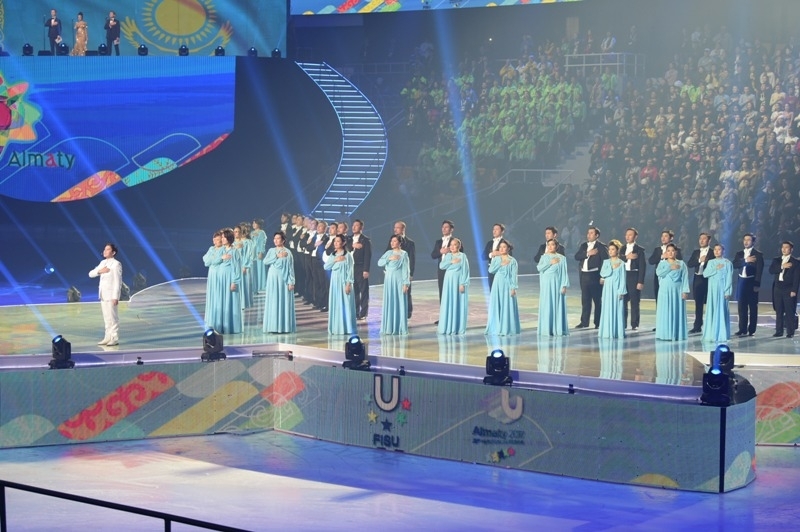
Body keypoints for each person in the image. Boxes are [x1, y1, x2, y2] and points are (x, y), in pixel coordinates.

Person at [88, 243, 122, 346]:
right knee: (107, 318)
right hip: (103, 294)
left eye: (107, 249)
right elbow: (90, 274)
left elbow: (118, 281)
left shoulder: (116, 264)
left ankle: (114, 338)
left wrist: (115, 297)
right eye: (104, 249)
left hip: (111, 295)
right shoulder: (102, 263)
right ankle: (107, 337)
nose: (105, 251)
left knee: (113, 318)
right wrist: (99, 271)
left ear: (113, 252)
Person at [574, 226, 607, 329]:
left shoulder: (601, 247)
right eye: (588, 233)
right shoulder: (584, 245)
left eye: (592, 233)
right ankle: (584, 322)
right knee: (585, 300)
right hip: (584, 275)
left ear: (597, 235)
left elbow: (605, 262)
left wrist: (603, 276)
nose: (589, 235)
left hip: (595, 275)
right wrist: (588, 253)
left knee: (597, 300)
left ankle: (598, 322)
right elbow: (576, 256)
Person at [262, 232, 296, 334]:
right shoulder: (271, 251)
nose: (276, 240)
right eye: (274, 238)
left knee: (283, 300)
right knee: (273, 300)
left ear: (283, 240)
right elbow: (265, 261)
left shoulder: (288, 252)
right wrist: (277, 256)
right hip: (272, 278)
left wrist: (291, 282)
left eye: (278, 238)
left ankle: (283, 326)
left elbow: (290, 268)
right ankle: (272, 326)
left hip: (283, 279)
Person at [655, 244, 690, 341]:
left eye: (672, 250)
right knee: (665, 311)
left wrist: (685, 291)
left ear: (676, 252)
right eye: (668, 251)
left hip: (677, 291)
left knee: (676, 311)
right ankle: (665, 334)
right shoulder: (662, 263)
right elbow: (659, 273)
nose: (670, 253)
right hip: (664, 291)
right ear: (666, 252)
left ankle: (677, 333)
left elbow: (685, 278)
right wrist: (670, 268)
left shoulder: (681, 264)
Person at [486, 240, 521, 336]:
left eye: (504, 247)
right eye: (500, 247)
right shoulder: (496, 259)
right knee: (497, 304)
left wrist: (513, 288)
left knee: (507, 304)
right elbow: (491, 270)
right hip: (497, 284)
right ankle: (496, 327)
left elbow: (514, 275)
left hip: (508, 285)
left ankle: (507, 327)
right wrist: (500, 264)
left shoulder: (512, 261)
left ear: (508, 248)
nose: (501, 249)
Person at [324, 234, 357, 335]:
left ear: (343, 243)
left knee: (346, 304)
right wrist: (335, 260)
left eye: (338, 241)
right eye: (335, 241)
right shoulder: (333, 255)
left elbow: (350, 270)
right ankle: (336, 328)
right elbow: (326, 267)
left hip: (344, 282)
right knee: (336, 304)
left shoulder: (348, 255)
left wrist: (348, 284)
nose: (336, 243)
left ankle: (347, 328)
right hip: (335, 282)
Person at [732, 233, 764, 337]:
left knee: (753, 307)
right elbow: (734, 264)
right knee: (741, 307)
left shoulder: (758, 254)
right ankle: (742, 329)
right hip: (741, 282)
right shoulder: (739, 254)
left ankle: (752, 330)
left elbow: (759, 270)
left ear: (753, 242)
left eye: (748, 240)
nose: (746, 242)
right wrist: (746, 260)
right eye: (744, 239)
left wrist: (757, 284)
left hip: (751, 282)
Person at [536, 239, 569, 336]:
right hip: (546, 284)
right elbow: (539, 268)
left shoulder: (562, 258)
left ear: (556, 246)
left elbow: (564, 272)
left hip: (557, 283)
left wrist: (564, 285)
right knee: (547, 304)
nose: (550, 246)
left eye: (552, 244)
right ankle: (546, 329)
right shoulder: (544, 257)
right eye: (548, 245)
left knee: (557, 304)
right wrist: (550, 262)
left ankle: (557, 329)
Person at [378, 235, 410, 334]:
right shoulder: (388, 253)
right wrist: (389, 259)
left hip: (398, 280)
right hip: (389, 280)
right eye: (391, 241)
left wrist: (405, 283)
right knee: (390, 300)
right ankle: (389, 327)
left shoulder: (404, 254)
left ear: (400, 243)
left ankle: (399, 327)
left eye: (395, 241)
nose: (392, 243)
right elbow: (379, 263)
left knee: (399, 301)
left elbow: (406, 269)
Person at [438, 238, 470, 335]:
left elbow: (465, 270)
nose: (452, 247)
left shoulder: (462, 256)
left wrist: (462, 283)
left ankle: (457, 327)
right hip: (448, 281)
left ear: (459, 246)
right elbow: (442, 266)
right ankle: (447, 326)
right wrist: (451, 262)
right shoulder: (448, 255)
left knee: (457, 301)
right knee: (449, 301)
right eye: (450, 245)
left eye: (454, 244)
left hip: (458, 280)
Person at [702, 244, 733, 344]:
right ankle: (711, 334)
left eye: (719, 249)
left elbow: (729, 278)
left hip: (722, 290)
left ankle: (721, 334)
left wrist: (727, 291)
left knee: (721, 310)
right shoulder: (711, 262)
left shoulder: (727, 263)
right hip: (712, 290)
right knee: (712, 309)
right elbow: (705, 274)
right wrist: (716, 268)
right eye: (715, 249)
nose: (716, 251)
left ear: (723, 251)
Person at [769, 241, 800, 338]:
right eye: (783, 247)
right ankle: (779, 331)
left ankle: (790, 332)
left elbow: (796, 278)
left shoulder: (795, 262)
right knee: (779, 310)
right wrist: (782, 266)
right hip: (777, 288)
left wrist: (794, 290)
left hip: (789, 289)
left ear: (791, 249)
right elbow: (771, 270)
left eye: (786, 247)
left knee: (789, 311)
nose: (784, 249)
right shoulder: (776, 260)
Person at [598, 240, 627, 339]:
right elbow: (603, 273)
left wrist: (621, 291)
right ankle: (606, 332)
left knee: (617, 309)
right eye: (609, 249)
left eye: (613, 249)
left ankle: (617, 332)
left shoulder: (622, 263)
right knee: (607, 308)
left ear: (617, 250)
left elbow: (623, 278)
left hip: (617, 288)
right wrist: (612, 267)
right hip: (607, 289)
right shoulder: (606, 262)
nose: (610, 251)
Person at [386, 221, 415, 318]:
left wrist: (410, 274)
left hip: (404, 271)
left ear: (403, 229)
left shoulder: (410, 243)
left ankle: (407, 312)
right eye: (394, 227)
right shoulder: (391, 241)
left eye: (397, 227)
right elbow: (386, 254)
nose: (395, 229)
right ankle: (396, 311)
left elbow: (412, 259)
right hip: (393, 272)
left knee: (406, 291)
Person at [216, 228, 242, 334]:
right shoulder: (221, 250)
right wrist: (221, 258)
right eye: (221, 237)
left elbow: (237, 267)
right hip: (221, 279)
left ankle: (231, 326)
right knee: (221, 301)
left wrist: (234, 281)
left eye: (224, 237)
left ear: (229, 238)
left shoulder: (234, 251)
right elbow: (214, 261)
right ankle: (221, 325)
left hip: (229, 278)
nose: (222, 239)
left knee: (230, 301)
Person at [687, 233, 713, 334]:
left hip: (708, 279)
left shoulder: (712, 252)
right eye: (700, 238)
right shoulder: (696, 252)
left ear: (709, 240)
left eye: (704, 239)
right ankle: (697, 326)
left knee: (710, 303)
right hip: (697, 278)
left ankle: (711, 326)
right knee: (698, 304)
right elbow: (690, 264)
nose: (701, 240)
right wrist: (699, 260)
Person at [620, 228, 646, 331]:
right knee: (623, 301)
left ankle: (634, 324)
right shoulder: (622, 248)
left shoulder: (639, 250)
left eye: (630, 235)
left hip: (634, 275)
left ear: (635, 237)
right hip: (623, 275)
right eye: (626, 234)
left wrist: (640, 281)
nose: (627, 237)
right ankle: (623, 323)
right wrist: (627, 257)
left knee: (634, 301)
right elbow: (618, 259)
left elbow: (642, 266)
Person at [648, 230, 682, 300]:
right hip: (659, 275)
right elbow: (651, 261)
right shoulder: (657, 249)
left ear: (671, 238)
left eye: (666, 236)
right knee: (658, 294)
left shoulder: (677, 250)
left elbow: (680, 261)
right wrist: (661, 257)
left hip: (671, 276)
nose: (663, 238)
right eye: (662, 236)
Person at [350, 219, 371, 321]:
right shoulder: (349, 239)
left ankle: (363, 313)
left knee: (363, 291)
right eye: (353, 225)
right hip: (351, 267)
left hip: (360, 267)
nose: (354, 227)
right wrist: (352, 245)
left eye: (356, 225)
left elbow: (367, 255)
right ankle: (355, 312)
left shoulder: (365, 240)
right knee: (354, 291)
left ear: (361, 227)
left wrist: (366, 270)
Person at [202, 231, 223, 332]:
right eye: (214, 239)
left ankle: (218, 318)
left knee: (218, 294)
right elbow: (206, 261)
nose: (215, 241)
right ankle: (210, 318)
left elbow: (217, 261)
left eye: (217, 239)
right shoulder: (211, 249)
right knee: (212, 294)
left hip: (219, 273)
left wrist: (214, 259)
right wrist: (215, 259)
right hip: (211, 273)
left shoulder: (223, 249)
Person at [431, 220, 456, 302]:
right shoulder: (438, 242)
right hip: (441, 270)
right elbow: (433, 255)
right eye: (443, 227)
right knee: (442, 290)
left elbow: (461, 253)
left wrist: (450, 250)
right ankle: (443, 308)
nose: (444, 229)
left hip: (452, 270)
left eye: (446, 227)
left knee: (452, 290)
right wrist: (440, 252)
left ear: (451, 229)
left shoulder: (455, 241)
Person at [483, 223, 506, 288]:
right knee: (492, 289)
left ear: (502, 231)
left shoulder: (505, 243)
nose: (494, 231)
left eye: (497, 229)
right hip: (491, 270)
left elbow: (510, 256)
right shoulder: (489, 243)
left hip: (501, 270)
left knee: (501, 289)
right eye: (493, 229)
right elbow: (483, 257)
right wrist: (491, 254)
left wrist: (500, 254)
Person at [251, 218, 267, 293]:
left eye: (255, 223)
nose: (253, 224)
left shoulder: (262, 232)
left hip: (259, 251)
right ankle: (255, 285)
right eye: (253, 223)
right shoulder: (252, 233)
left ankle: (261, 285)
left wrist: (261, 252)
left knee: (260, 268)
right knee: (254, 268)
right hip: (253, 252)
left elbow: (263, 242)